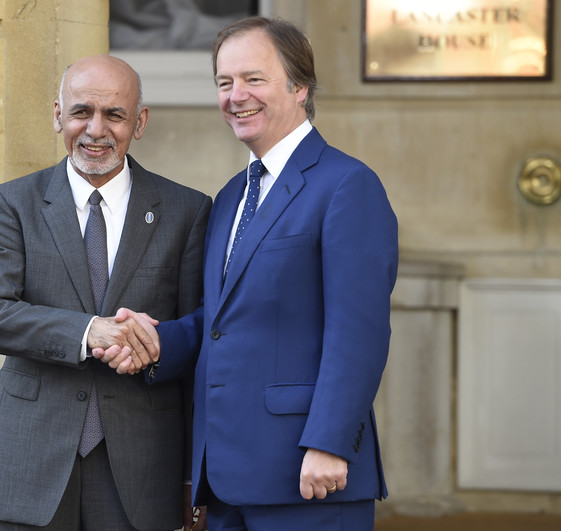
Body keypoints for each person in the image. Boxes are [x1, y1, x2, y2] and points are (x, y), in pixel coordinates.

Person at [97, 16, 398, 530]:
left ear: (299, 86)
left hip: (307, 475)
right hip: (227, 475)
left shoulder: (348, 186)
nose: (236, 95)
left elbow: (359, 332)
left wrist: (328, 442)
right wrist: (152, 341)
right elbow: (220, 320)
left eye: (253, 79)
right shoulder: (234, 194)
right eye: (224, 82)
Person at [0, 54, 212, 530]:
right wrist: (89, 332)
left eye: (114, 115)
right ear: (59, 115)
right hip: (33, 460)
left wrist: (190, 477)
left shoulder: (187, 211)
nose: (96, 130)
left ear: (139, 123)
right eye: (81, 112)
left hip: (143, 465)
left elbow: (197, 340)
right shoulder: (12, 202)